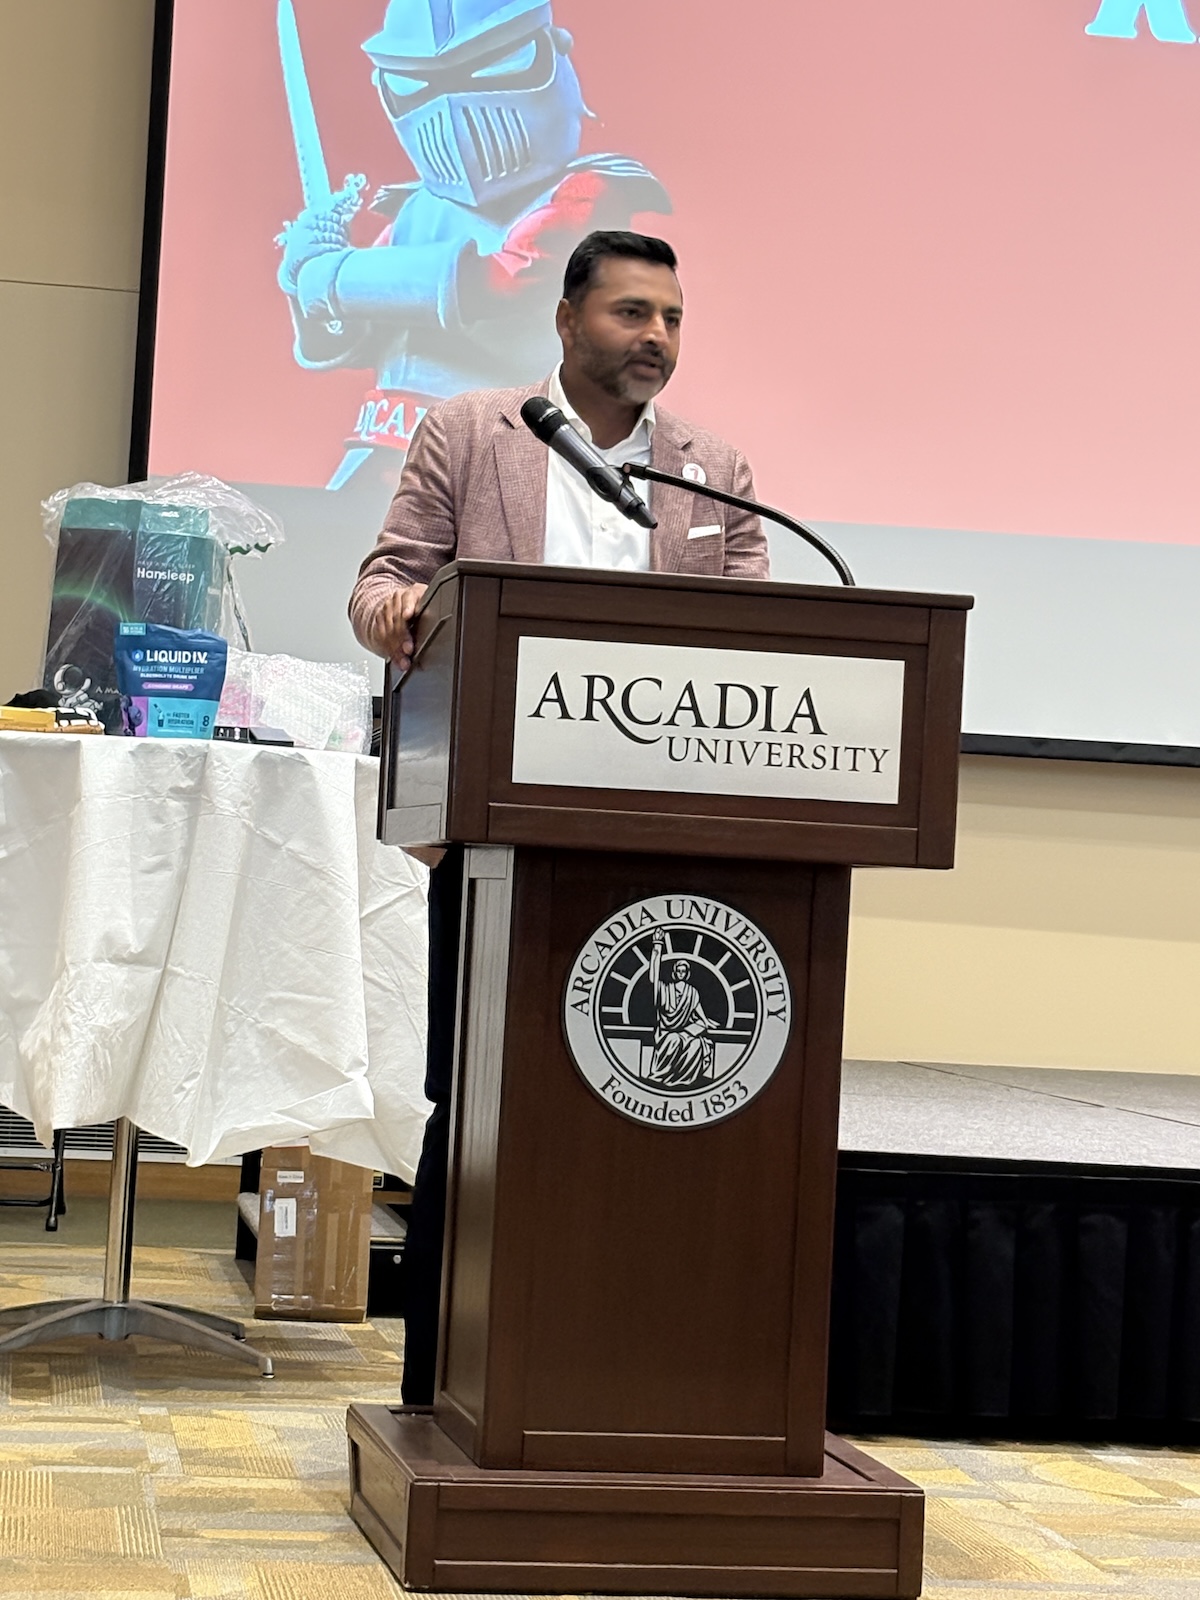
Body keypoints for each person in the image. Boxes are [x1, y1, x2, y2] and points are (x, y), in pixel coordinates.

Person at [349, 229, 769, 1403]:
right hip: (494, 828)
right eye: (633, 313)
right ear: (569, 319)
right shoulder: (472, 431)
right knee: (478, 1099)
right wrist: (409, 617)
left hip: (662, 840)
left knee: (646, 1101)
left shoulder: (713, 471)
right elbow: (385, 579)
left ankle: (630, 1367)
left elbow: (756, 636)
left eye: (674, 319)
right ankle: (447, 1374)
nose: (657, 339)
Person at [276, 0, 669, 490]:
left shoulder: (583, 191)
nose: (457, 107)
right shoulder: (417, 210)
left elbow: (509, 278)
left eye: (495, 65)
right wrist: (303, 277)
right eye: (421, 81)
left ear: (550, 51)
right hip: (386, 454)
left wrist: (332, 277)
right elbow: (355, 336)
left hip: (499, 461)